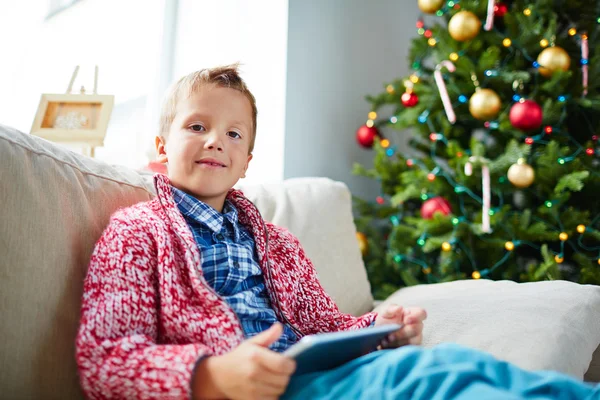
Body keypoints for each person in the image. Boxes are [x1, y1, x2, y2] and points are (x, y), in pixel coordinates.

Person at [76, 64, 599, 400]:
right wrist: (209, 376)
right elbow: (103, 359)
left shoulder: (279, 245)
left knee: (452, 363)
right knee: (424, 380)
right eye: (196, 126)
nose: (216, 141)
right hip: (251, 388)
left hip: (312, 374)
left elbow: (326, 325)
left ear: (246, 162)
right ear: (162, 147)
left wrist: (380, 328)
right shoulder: (137, 231)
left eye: (233, 134)